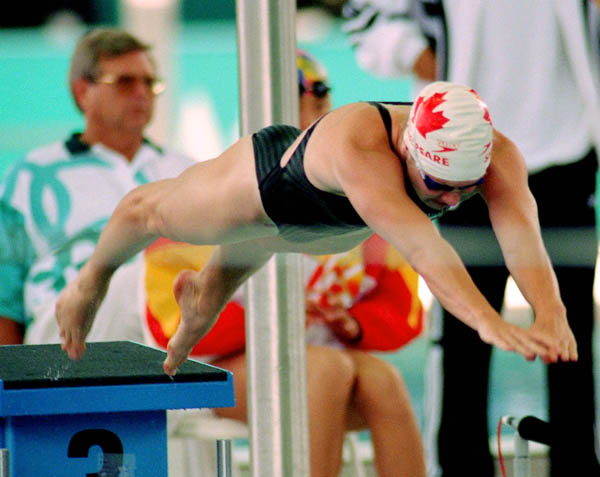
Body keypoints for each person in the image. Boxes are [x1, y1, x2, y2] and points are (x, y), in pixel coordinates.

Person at [56, 78, 577, 414]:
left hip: (328, 227)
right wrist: (489, 320)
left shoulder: (496, 155)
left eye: (468, 188)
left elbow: (522, 233)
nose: (454, 198)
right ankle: (90, 280)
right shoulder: (363, 149)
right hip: (269, 185)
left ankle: (206, 295)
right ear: (408, 148)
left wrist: (551, 312)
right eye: (440, 185)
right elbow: (426, 249)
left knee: (270, 250)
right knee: (151, 210)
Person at [342, 2, 600, 475]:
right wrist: (430, 62)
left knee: (570, 341)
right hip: (458, 153)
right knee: (462, 344)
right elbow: (365, 19)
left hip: (566, 148)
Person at [144, 50, 427, 476]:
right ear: (262, 99)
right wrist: (277, 322)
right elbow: (167, 323)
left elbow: (404, 305)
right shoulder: (216, 190)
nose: (316, 99)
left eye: (323, 89)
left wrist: (353, 324)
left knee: (383, 380)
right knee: (322, 369)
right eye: (301, 89)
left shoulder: (357, 192)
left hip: (324, 366)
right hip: (215, 371)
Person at [0, 28, 196, 347]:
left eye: (149, 82)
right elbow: (3, 301)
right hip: (65, 330)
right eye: (124, 82)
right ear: (83, 92)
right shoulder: (30, 175)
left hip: (170, 322)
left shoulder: (184, 170)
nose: (141, 92)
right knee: (137, 280)